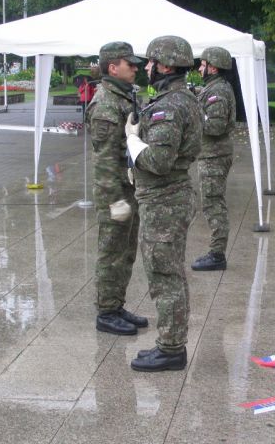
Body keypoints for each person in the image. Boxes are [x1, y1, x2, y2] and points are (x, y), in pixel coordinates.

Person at [126, 36, 202, 372]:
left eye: (151, 62)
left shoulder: (169, 106)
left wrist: (132, 140)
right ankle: (171, 343)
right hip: (167, 197)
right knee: (169, 273)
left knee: (164, 276)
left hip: (164, 201)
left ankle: (171, 349)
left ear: (166, 66)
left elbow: (158, 161)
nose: (147, 67)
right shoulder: (178, 99)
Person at [86, 41, 148, 335]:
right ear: (113, 67)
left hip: (128, 187)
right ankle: (106, 311)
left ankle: (116, 304)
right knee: (112, 253)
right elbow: (105, 160)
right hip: (116, 193)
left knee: (126, 252)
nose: (135, 68)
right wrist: (114, 201)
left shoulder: (124, 96)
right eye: (129, 63)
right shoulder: (106, 104)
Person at [190, 47, 236, 271]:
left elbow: (215, 126)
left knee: (213, 204)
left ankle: (217, 255)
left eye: (203, 64)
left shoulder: (217, 91)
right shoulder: (215, 88)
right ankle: (217, 252)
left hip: (214, 156)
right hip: (212, 154)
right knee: (212, 202)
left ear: (214, 67)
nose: (200, 68)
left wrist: (193, 114)